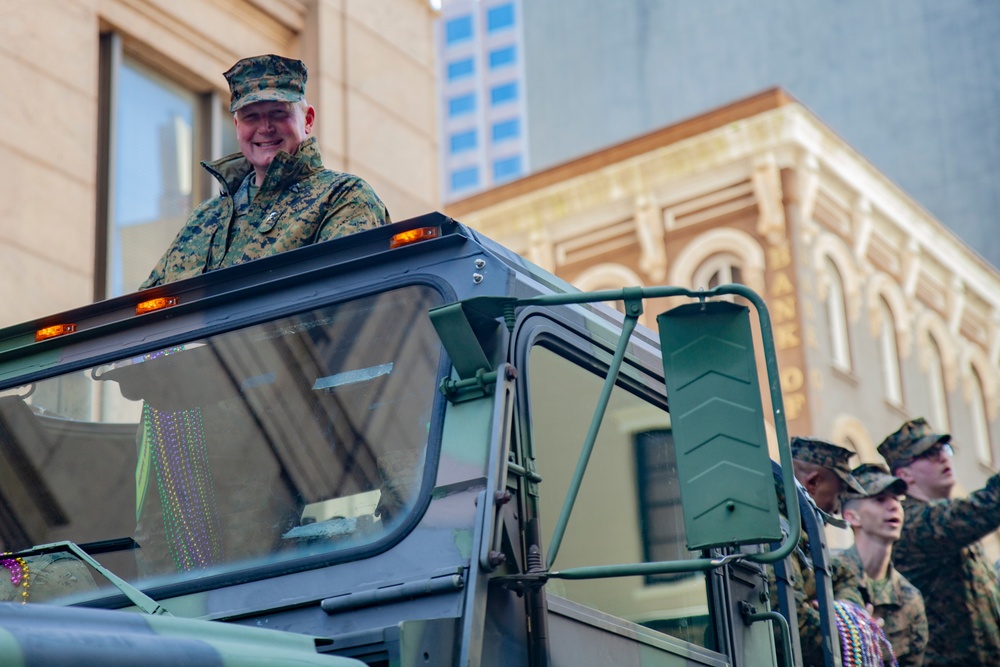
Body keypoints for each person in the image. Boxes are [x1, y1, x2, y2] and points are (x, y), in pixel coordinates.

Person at [141, 54, 389, 288]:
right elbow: (148, 315)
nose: (265, 127)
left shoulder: (342, 198)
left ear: (308, 120)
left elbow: (345, 301)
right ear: (237, 126)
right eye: (251, 117)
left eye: (278, 113)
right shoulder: (205, 219)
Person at [878, 417, 1000, 666]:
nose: (944, 458)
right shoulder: (911, 522)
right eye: (930, 454)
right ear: (904, 474)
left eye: (944, 450)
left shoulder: (945, 523)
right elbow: (986, 507)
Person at [771, 436, 868, 666]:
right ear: (813, 483)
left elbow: (843, 575)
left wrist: (842, 614)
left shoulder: (799, 534)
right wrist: (858, 634)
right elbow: (796, 628)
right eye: (837, 496)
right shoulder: (775, 532)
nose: (836, 510)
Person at [833, 464, 927, 666]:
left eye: (897, 499)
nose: (894, 506)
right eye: (880, 499)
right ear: (851, 516)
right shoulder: (826, 574)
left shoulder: (910, 598)